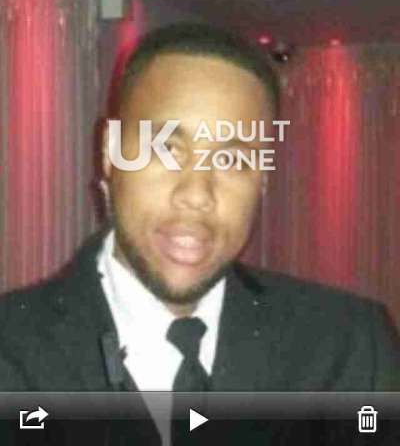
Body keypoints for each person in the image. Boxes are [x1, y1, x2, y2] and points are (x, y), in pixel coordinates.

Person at [0, 24, 399, 446]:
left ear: (263, 179)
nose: (196, 195)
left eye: (231, 159)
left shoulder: (349, 348)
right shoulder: (11, 350)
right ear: (109, 154)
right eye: (165, 149)